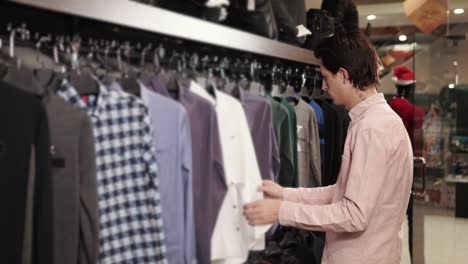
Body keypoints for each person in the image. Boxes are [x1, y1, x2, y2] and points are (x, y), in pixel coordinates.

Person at [243, 29, 414, 263]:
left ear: (343, 75)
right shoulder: (374, 122)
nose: (323, 86)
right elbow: (342, 192)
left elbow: (354, 214)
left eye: (326, 77)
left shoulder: (372, 129)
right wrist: (285, 194)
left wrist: (281, 212)